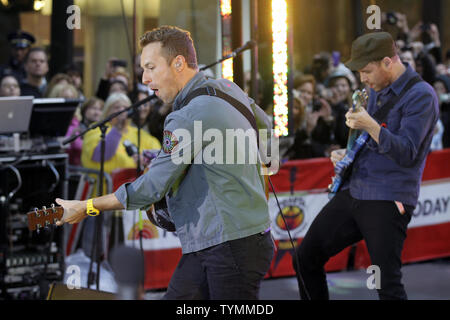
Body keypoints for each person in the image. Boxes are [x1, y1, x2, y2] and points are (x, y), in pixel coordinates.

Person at [54, 25, 274, 300]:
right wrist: (247, 180)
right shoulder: (228, 89)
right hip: (237, 239)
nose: (144, 79)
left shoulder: (186, 116)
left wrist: (86, 206)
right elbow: (266, 128)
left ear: (178, 63)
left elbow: (150, 189)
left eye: (150, 68)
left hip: (228, 247)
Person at [293, 32, 438, 300]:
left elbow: (407, 152)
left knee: (388, 285)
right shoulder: (375, 90)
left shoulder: (422, 96)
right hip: (356, 189)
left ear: (387, 62)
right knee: (304, 259)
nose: (363, 79)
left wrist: (369, 124)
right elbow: (369, 142)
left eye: (367, 71)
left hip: (389, 196)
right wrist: (345, 154)